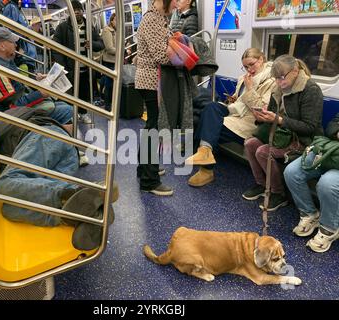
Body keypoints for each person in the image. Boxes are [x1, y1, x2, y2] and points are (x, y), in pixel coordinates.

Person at [0, 107, 118, 250]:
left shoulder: (7, 122)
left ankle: (70, 193)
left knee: (5, 185)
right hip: (63, 153)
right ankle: (80, 215)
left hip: (47, 138)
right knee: (9, 207)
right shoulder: (27, 112)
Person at [242, 54, 324, 212]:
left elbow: (310, 127)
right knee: (250, 143)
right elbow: (273, 114)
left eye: (281, 77)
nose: (279, 83)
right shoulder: (278, 88)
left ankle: (279, 194)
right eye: (276, 79)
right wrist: (263, 117)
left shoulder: (310, 89)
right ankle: (262, 184)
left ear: (295, 71)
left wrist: (279, 120)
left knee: (263, 152)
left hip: (304, 140)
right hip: (283, 134)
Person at [185, 48, 275, 187]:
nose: (249, 69)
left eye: (252, 64)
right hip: (235, 114)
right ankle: (204, 151)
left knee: (209, 125)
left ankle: (206, 169)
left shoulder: (271, 82)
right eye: (245, 66)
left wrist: (250, 90)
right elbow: (240, 100)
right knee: (211, 107)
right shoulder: (244, 79)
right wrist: (234, 98)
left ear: (262, 59)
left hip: (250, 122)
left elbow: (262, 111)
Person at [0, 26, 73, 126]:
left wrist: (37, 80)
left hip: (22, 110)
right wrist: (40, 93)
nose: (15, 45)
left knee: (62, 105)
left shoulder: (7, 64)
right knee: (67, 110)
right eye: (12, 42)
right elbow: (13, 107)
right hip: (13, 120)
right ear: (2, 46)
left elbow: (18, 89)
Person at [135, 0, 177, 196]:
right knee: (154, 127)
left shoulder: (159, 18)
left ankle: (144, 168)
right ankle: (149, 181)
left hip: (151, 80)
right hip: (150, 80)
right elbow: (161, 55)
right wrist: (182, 58)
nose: (176, 4)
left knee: (151, 125)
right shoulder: (152, 19)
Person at [283, 113, 339, 253]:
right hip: (332, 151)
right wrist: (337, 132)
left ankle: (329, 228)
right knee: (292, 172)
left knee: (327, 183)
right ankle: (310, 214)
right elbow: (333, 123)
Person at [53, 0, 105, 124]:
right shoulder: (63, 27)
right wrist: (63, 67)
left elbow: (101, 44)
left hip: (85, 68)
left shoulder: (89, 27)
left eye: (79, 10)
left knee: (84, 93)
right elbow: (55, 47)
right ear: (70, 12)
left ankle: (83, 113)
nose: (77, 13)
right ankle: (71, 114)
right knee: (70, 93)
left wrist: (91, 44)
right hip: (70, 68)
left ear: (82, 12)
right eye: (74, 11)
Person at [1, 0, 37, 73]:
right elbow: (10, 31)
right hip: (23, 55)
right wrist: (18, 47)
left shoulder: (15, 8)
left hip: (25, 55)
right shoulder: (11, 7)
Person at [101, 13, 117, 111]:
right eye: (116, 20)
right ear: (111, 21)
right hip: (109, 61)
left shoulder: (117, 31)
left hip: (116, 61)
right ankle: (107, 105)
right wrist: (121, 50)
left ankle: (113, 102)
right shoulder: (107, 31)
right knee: (109, 85)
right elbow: (109, 48)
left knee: (113, 84)